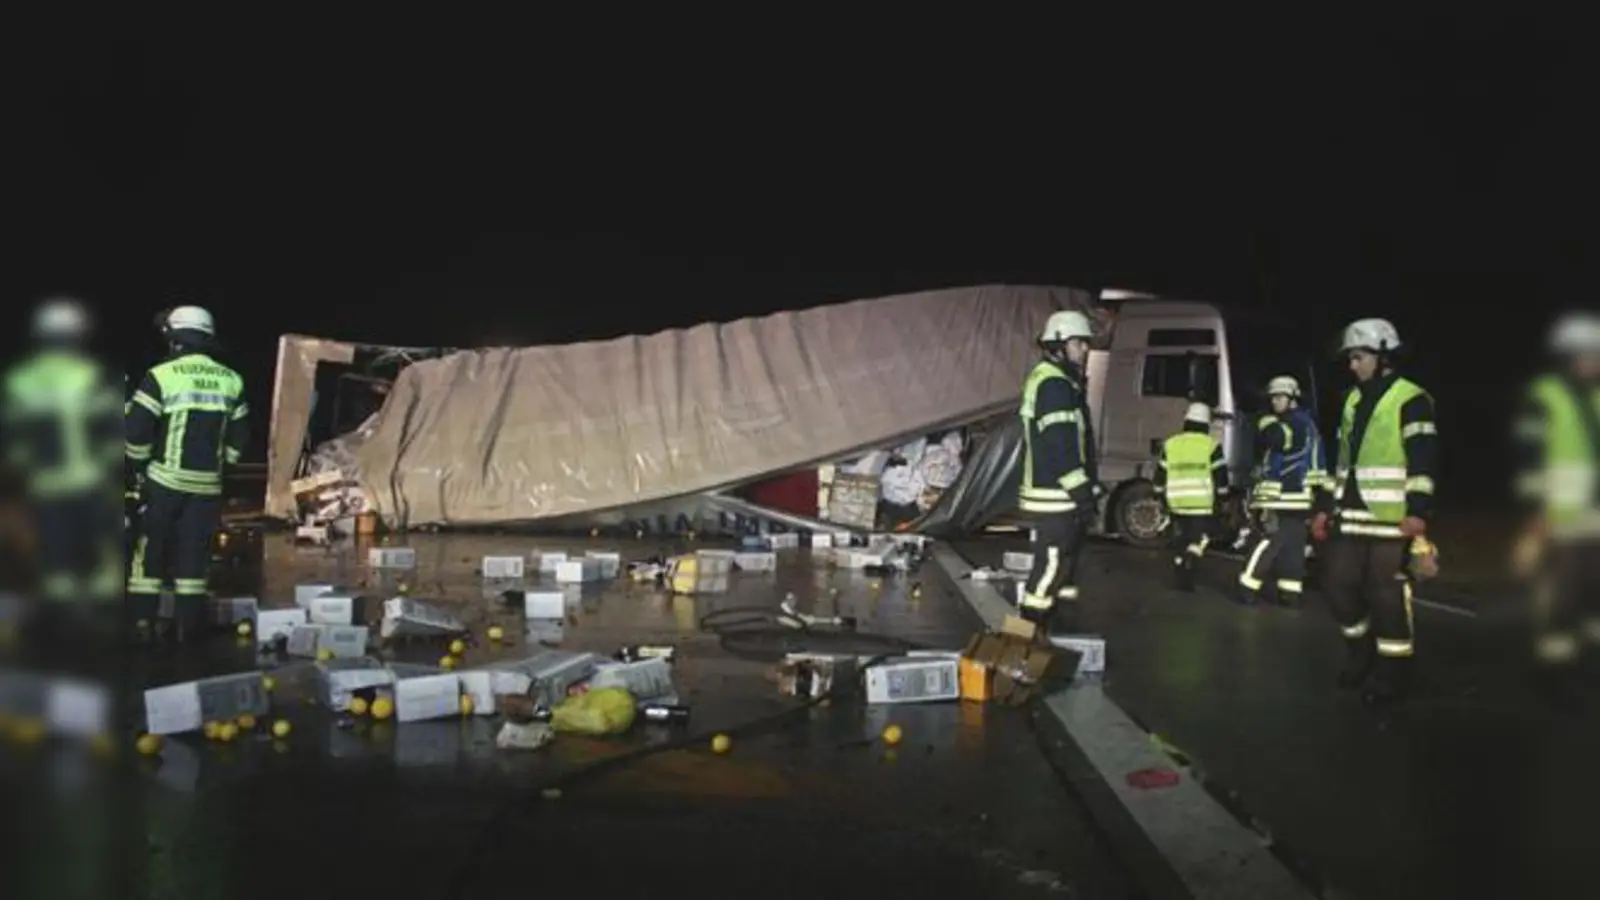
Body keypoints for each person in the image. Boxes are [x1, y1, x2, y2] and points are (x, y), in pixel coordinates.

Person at [1314, 318, 1438, 704]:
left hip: (1391, 516)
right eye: (1351, 358)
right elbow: (1344, 462)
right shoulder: (1352, 399)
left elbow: (1423, 458)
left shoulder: (1412, 399)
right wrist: (1325, 507)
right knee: (1337, 586)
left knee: (1386, 596)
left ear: (1383, 355)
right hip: (1350, 512)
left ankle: (1392, 672)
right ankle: (1360, 650)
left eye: (1359, 357)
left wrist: (1418, 511)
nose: (1353, 365)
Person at [1, 297, 123, 647]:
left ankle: (65, 632)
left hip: (45, 487)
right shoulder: (91, 376)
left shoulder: (21, 380)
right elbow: (113, 431)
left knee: (56, 564)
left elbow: (12, 440)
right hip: (90, 484)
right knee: (100, 561)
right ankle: (99, 629)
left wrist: (28, 470)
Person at [125, 305, 248, 642]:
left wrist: (137, 468)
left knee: (150, 553)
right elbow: (239, 441)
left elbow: (135, 433)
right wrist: (223, 470)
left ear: (175, 336)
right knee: (193, 557)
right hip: (207, 487)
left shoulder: (161, 375)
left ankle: (142, 625)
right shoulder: (231, 380)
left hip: (164, 482)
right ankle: (187, 630)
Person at [1511, 310, 1600, 686]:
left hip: (1594, 509)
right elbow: (1530, 455)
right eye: (1590, 353)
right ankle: (1553, 653)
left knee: (1593, 577)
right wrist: (1535, 511)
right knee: (1560, 580)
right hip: (1557, 510)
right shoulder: (1545, 396)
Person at [1017, 309, 1099, 634]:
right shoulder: (1053, 384)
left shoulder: (1058, 381)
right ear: (1059, 344)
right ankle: (1025, 633)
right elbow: (1061, 445)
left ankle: (1040, 631)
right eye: (1080, 343)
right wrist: (1081, 492)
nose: (1085, 350)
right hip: (1055, 493)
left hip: (1058, 491)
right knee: (1049, 563)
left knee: (1058, 561)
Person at [1238, 375, 1327, 607]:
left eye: (1279, 397)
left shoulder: (1294, 423)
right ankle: (1290, 592)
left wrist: (1263, 420)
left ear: (1293, 399)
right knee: (1293, 547)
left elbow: (1276, 439)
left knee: (1268, 541)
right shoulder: (1305, 423)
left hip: (1282, 497)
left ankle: (1247, 585)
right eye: (1272, 398)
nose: (1274, 402)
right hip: (1298, 497)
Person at [1154, 402, 1228, 591]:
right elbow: (1220, 476)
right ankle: (1191, 558)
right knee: (1201, 538)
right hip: (1202, 503)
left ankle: (1181, 566)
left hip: (1176, 502)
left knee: (1181, 538)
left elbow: (1160, 475)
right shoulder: (1211, 446)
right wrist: (1222, 499)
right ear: (1206, 424)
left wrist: (1160, 496)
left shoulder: (1170, 444)